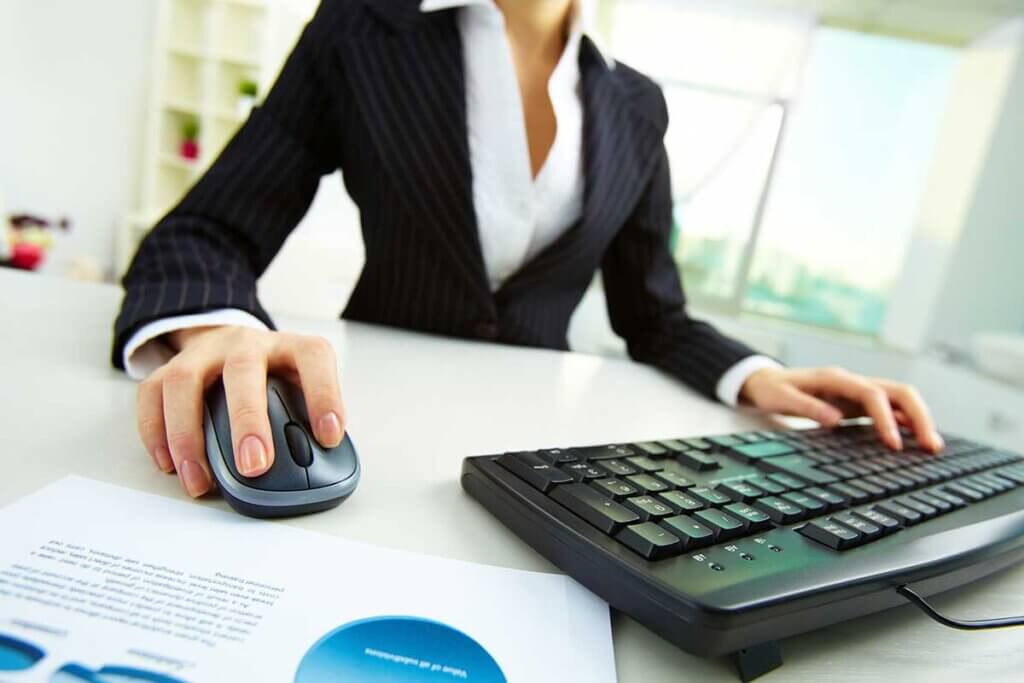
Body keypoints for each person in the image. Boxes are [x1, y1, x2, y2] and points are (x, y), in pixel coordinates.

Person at [113, 0, 943, 499]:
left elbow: (656, 317)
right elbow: (205, 231)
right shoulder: (361, 30)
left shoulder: (637, 107)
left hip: (546, 456)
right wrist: (218, 329)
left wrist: (761, 375)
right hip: (371, 426)